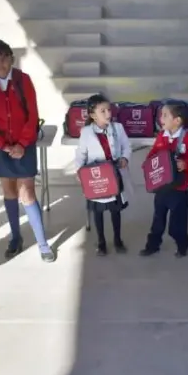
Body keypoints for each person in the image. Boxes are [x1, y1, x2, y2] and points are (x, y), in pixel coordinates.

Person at [0, 39, 55, 262]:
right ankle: (15, 237)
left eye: (4, 57)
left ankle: (42, 243)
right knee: (9, 192)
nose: (0, 62)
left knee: (27, 192)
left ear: (12, 58)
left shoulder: (23, 80)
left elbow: (32, 114)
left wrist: (22, 143)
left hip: (24, 145)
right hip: (0, 146)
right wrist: (3, 145)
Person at [140, 102, 188, 257]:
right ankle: (152, 245)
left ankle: (183, 244)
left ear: (178, 120)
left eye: (165, 115)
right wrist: (148, 165)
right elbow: (153, 154)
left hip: (179, 190)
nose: (161, 118)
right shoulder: (162, 136)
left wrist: (186, 164)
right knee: (157, 221)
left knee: (177, 225)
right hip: (161, 188)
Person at [75, 94, 133, 256]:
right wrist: (79, 170)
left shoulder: (118, 128)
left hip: (114, 176)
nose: (108, 113)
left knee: (116, 211)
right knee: (98, 212)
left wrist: (124, 158)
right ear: (93, 115)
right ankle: (101, 241)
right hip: (96, 178)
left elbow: (126, 146)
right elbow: (81, 154)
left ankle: (117, 240)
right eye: (103, 111)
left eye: (109, 109)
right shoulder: (86, 132)